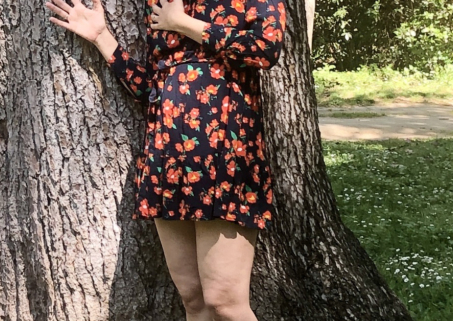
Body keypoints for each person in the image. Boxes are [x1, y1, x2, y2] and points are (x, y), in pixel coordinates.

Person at [45, 0, 285, 319]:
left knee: (224, 300)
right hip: (167, 160)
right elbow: (150, 87)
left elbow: (265, 49)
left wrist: (183, 23)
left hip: (225, 157)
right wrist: (101, 36)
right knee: (194, 299)